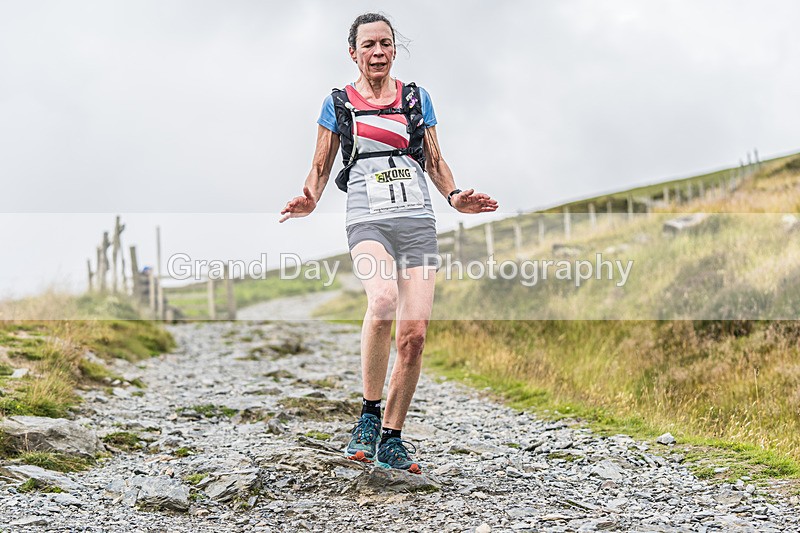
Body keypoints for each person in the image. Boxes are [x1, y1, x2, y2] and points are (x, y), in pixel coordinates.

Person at [280, 13, 497, 473]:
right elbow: (319, 168)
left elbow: (435, 161)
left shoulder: (415, 99)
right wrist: (308, 200)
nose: (378, 52)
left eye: (385, 44)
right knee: (381, 300)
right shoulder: (338, 103)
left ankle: (393, 437)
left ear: (394, 49)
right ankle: (368, 414)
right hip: (368, 222)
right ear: (353, 52)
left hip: (417, 221)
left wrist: (457, 198)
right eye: (368, 45)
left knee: (414, 337)